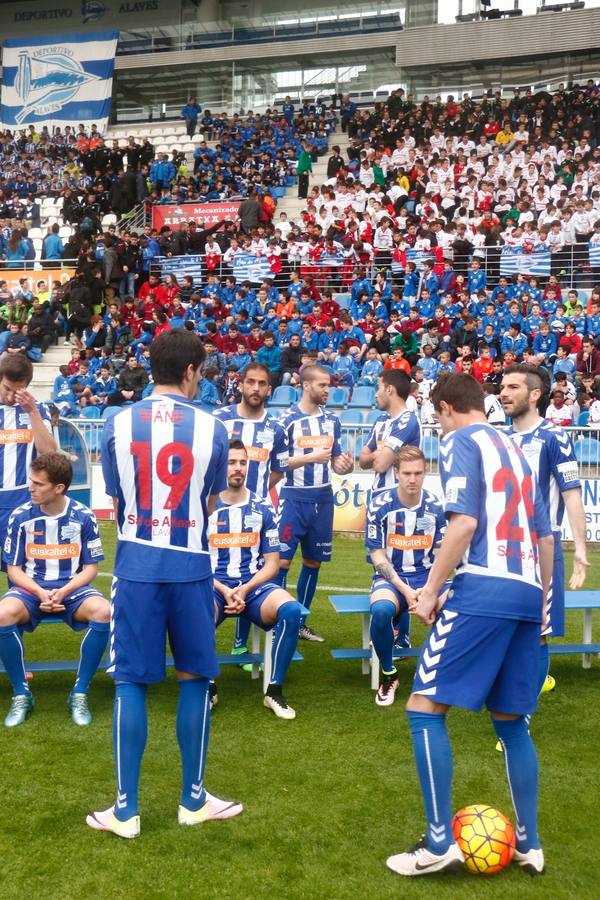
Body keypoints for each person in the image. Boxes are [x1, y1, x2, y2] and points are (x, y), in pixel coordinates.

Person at [386, 373, 553, 877]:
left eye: (437, 417)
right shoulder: (520, 450)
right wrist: (543, 606)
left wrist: (431, 591)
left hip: (484, 588)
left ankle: (439, 844)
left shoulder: (462, 441)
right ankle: (529, 843)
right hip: (528, 592)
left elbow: (463, 524)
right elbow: (546, 537)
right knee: (511, 722)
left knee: (423, 707)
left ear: (445, 409)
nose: (438, 426)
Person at [90, 329, 242, 840]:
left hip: (136, 566)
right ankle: (192, 800)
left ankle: (126, 810)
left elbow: (117, 498)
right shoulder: (213, 427)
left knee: (130, 681)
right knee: (194, 678)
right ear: (192, 370)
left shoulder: (116, 423)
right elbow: (210, 497)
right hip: (193, 566)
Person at [0, 453, 109, 727]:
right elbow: (14, 570)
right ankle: (21, 694)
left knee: (104, 611)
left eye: (38, 484)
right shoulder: (20, 516)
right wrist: (40, 593)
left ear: (59, 488)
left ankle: (80, 692)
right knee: (2, 615)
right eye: (31, 481)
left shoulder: (84, 516)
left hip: (72, 589)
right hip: (30, 589)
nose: (31, 488)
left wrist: (63, 591)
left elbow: (91, 569)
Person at [500, 364, 588, 698]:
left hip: (540, 549)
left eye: (512, 387)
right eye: (502, 387)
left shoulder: (554, 437)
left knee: (537, 630)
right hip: (502, 548)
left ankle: (520, 716)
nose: (503, 393)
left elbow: (571, 493)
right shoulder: (500, 438)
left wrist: (580, 550)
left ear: (535, 394)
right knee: (504, 626)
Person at [208, 440, 303, 718]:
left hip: (253, 586)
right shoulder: (206, 507)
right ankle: (209, 687)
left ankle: (274, 691)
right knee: (196, 611)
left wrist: (246, 588)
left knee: (292, 610)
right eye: (231, 462)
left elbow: (273, 563)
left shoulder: (263, 507)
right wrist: (225, 589)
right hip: (214, 586)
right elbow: (195, 560)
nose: (238, 468)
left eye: (242, 462)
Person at [213, 363, 289, 657]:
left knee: (257, 569)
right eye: (251, 383)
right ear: (241, 385)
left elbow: (279, 471)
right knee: (226, 566)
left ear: (269, 389)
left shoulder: (276, 428)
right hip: (220, 508)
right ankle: (235, 646)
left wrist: (254, 494)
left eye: (262, 384)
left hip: (258, 514)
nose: (256, 389)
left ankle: (248, 645)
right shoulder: (220, 420)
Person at [276, 365, 353, 642]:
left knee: (313, 562)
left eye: (328, 385)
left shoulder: (333, 420)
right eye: (322, 385)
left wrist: (344, 465)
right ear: (306, 385)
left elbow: (336, 460)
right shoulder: (286, 420)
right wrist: (310, 458)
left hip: (323, 497)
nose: (327, 390)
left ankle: (301, 624)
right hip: (293, 497)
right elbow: (278, 463)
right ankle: (279, 621)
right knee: (282, 561)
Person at [365, 446, 445, 706]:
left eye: (418, 473)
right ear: (396, 473)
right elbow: (377, 556)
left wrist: (430, 590)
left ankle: (444, 674)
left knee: (461, 606)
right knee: (381, 610)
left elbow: (444, 555)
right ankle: (389, 674)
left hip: (428, 577)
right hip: (392, 578)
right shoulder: (379, 504)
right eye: (407, 473)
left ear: (425, 473)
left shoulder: (437, 507)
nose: (413, 479)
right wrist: (406, 589)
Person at [359, 369, 422, 650]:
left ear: (391, 390)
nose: (375, 393)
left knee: (401, 563)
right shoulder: (382, 421)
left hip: (401, 503)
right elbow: (364, 460)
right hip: (378, 502)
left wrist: (377, 455)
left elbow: (382, 463)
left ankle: (401, 636)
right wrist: (377, 454)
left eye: (378, 387)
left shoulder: (408, 420)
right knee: (381, 564)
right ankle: (395, 634)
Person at [0, 355, 56, 563]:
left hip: (23, 499)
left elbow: (49, 453)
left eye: (19, 390)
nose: (12, 395)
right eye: (7, 388)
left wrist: (31, 411)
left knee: (21, 574)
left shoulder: (38, 409)